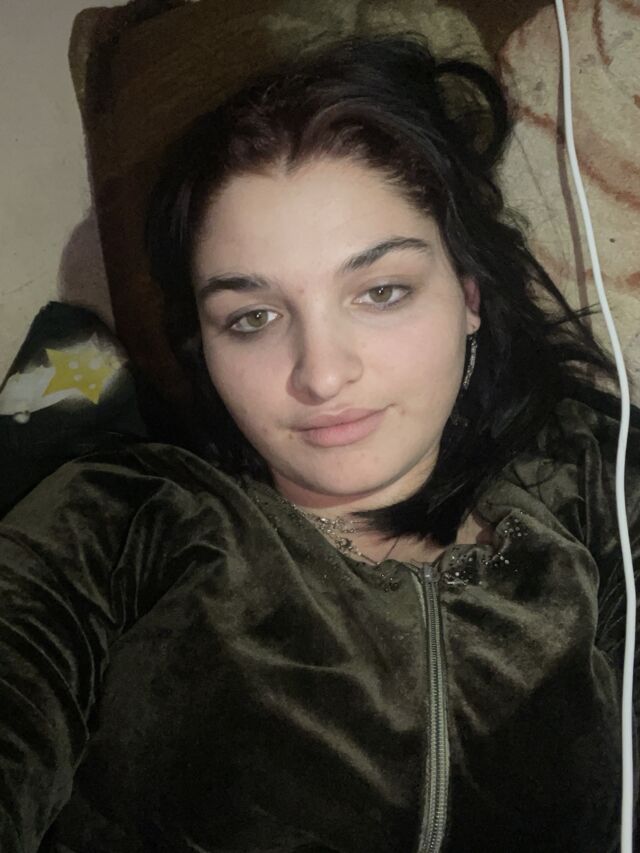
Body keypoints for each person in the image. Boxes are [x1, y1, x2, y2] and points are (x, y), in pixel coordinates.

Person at [0, 33, 638, 853]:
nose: (323, 374)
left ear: (469, 296)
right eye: (253, 317)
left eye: (381, 291)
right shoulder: (119, 521)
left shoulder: (594, 483)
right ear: (204, 344)